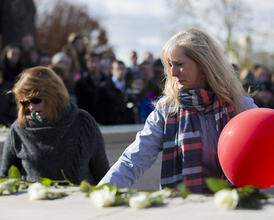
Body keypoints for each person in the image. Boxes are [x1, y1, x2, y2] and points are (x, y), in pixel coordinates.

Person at [97, 28, 258, 193]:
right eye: (170, 65)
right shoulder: (166, 111)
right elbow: (133, 160)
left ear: (204, 64)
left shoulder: (241, 106)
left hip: (234, 208)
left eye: (179, 65)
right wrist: (101, 193)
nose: (172, 73)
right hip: (184, 210)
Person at [0, 67, 110, 185]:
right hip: (36, 201)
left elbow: (102, 173)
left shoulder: (84, 123)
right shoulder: (19, 128)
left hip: (79, 201)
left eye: (36, 100)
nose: (31, 107)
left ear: (53, 95)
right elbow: (6, 179)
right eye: (26, 102)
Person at [98, 60, 135, 125]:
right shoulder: (103, 88)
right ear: (112, 71)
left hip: (127, 126)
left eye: (122, 69)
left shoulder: (130, 86)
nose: (120, 71)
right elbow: (99, 110)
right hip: (110, 127)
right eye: (118, 69)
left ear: (126, 70)